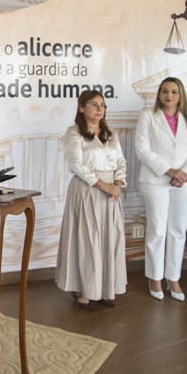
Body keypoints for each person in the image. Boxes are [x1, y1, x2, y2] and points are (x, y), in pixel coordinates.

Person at [134, 77, 187, 302]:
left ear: (180, 95)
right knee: (157, 230)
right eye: (164, 91)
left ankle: (173, 277)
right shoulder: (148, 116)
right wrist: (169, 171)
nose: (169, 95)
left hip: (184, 182)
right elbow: (142, 149)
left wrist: (183, 173)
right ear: (159, 94)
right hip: (155, 180)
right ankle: (154, 277)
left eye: (174, 91)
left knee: (178, 230)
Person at [57, 90, 127, 310]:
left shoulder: (111, 134)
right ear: (81, 107)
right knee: (88, 240)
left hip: (111, 194)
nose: (99, 109)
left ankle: (104, 289)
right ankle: (85, 291)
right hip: (87, 190)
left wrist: (118, 184)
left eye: (103, 105)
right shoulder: (74, 133)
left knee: (108, 240)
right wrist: (104, 186)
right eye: (94, 104)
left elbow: (121, 162)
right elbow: (76, 165)